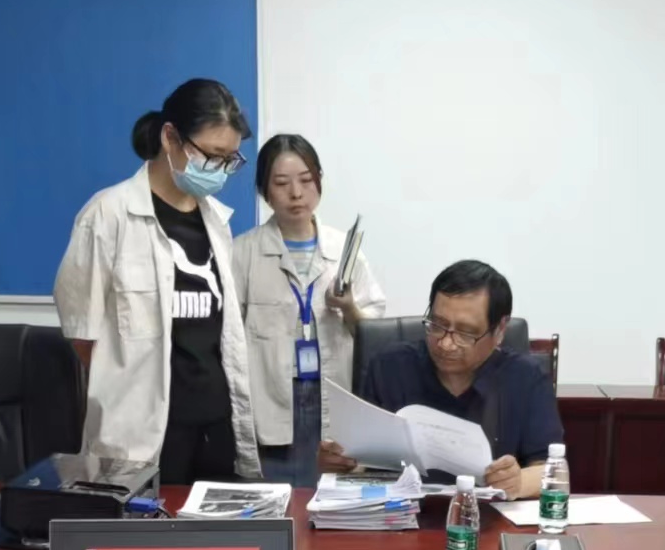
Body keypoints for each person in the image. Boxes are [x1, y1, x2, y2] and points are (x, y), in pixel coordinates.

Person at [52, 78, 260, 484]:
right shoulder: (108, 215)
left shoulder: (217, 221)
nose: (219, 170)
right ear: (170, 137)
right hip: (143, 433)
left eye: (229, 160)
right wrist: (129, 384)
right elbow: (81, 333)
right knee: (143, 524)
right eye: (211, 155)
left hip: (216, 425)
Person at [324, 260, 561, 499]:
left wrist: (518, 482)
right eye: (437, 325)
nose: (446, 344)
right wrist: (338, 462)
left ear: (499, 330)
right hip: (400, 513)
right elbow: (361, 464)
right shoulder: (389, 368)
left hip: (487, 516)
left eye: (465, 333)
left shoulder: (525, 378)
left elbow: (554, 472)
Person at [230, 134, 386, 487]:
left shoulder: (344, 250)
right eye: (281, 183)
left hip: (331, 392)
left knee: (328, 497)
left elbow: (373, 334)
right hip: (271, 398)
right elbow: (229, 338)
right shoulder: (242, 252)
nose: (296, 193)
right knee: (277, 499)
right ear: (264, 190)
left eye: (305, 180)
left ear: (319, 181)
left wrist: (348, 308)